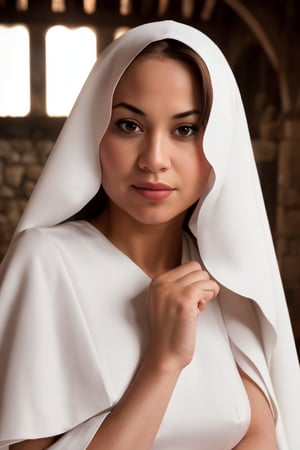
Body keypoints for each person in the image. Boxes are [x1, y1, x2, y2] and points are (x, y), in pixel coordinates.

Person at [0, 20, 299, 450]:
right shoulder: (44, 264)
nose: (154, 159)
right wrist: (164, 362)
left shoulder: (223, 275)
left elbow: (260, 435)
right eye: (129, 125)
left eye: (185, 130)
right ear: (94, 131)